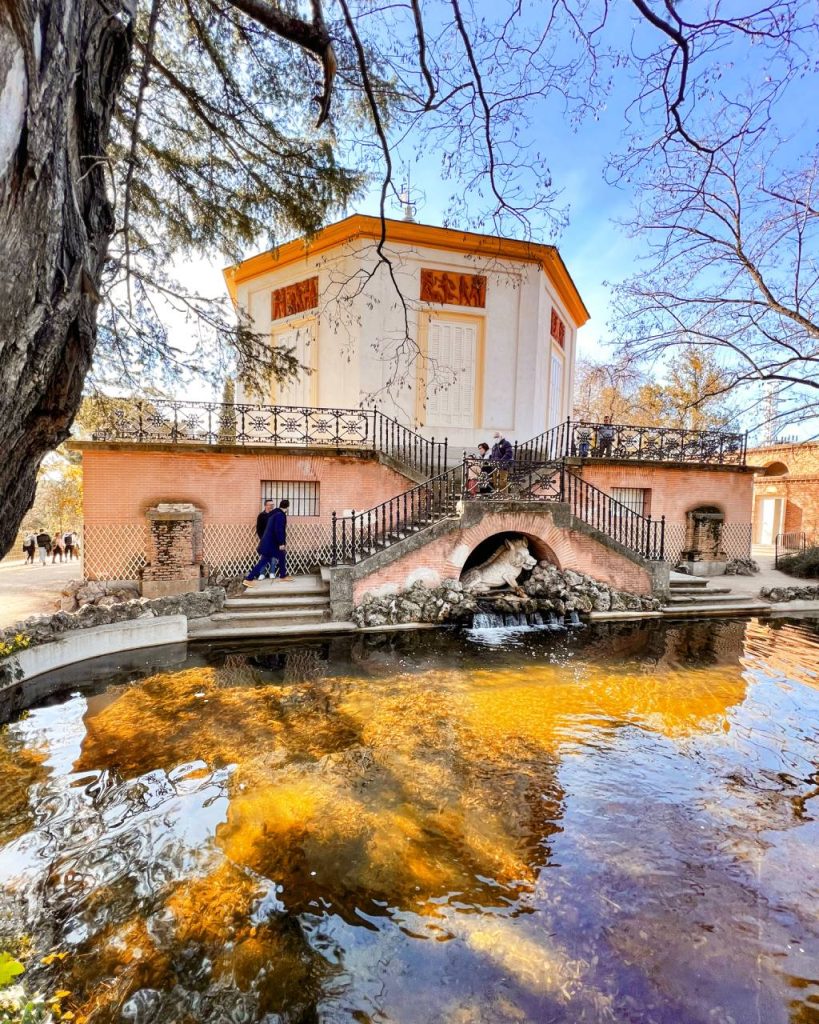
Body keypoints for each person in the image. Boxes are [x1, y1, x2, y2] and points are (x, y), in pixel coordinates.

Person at [244, 499, 289, 587]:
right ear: (287, 507)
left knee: (282, 556)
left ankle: (283, 575)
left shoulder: (275, 513)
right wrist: (281, 543)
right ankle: (249, 579)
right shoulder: (279, 515)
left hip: (271, 541)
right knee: (264, 561)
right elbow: (278, 530)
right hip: (271, 543)